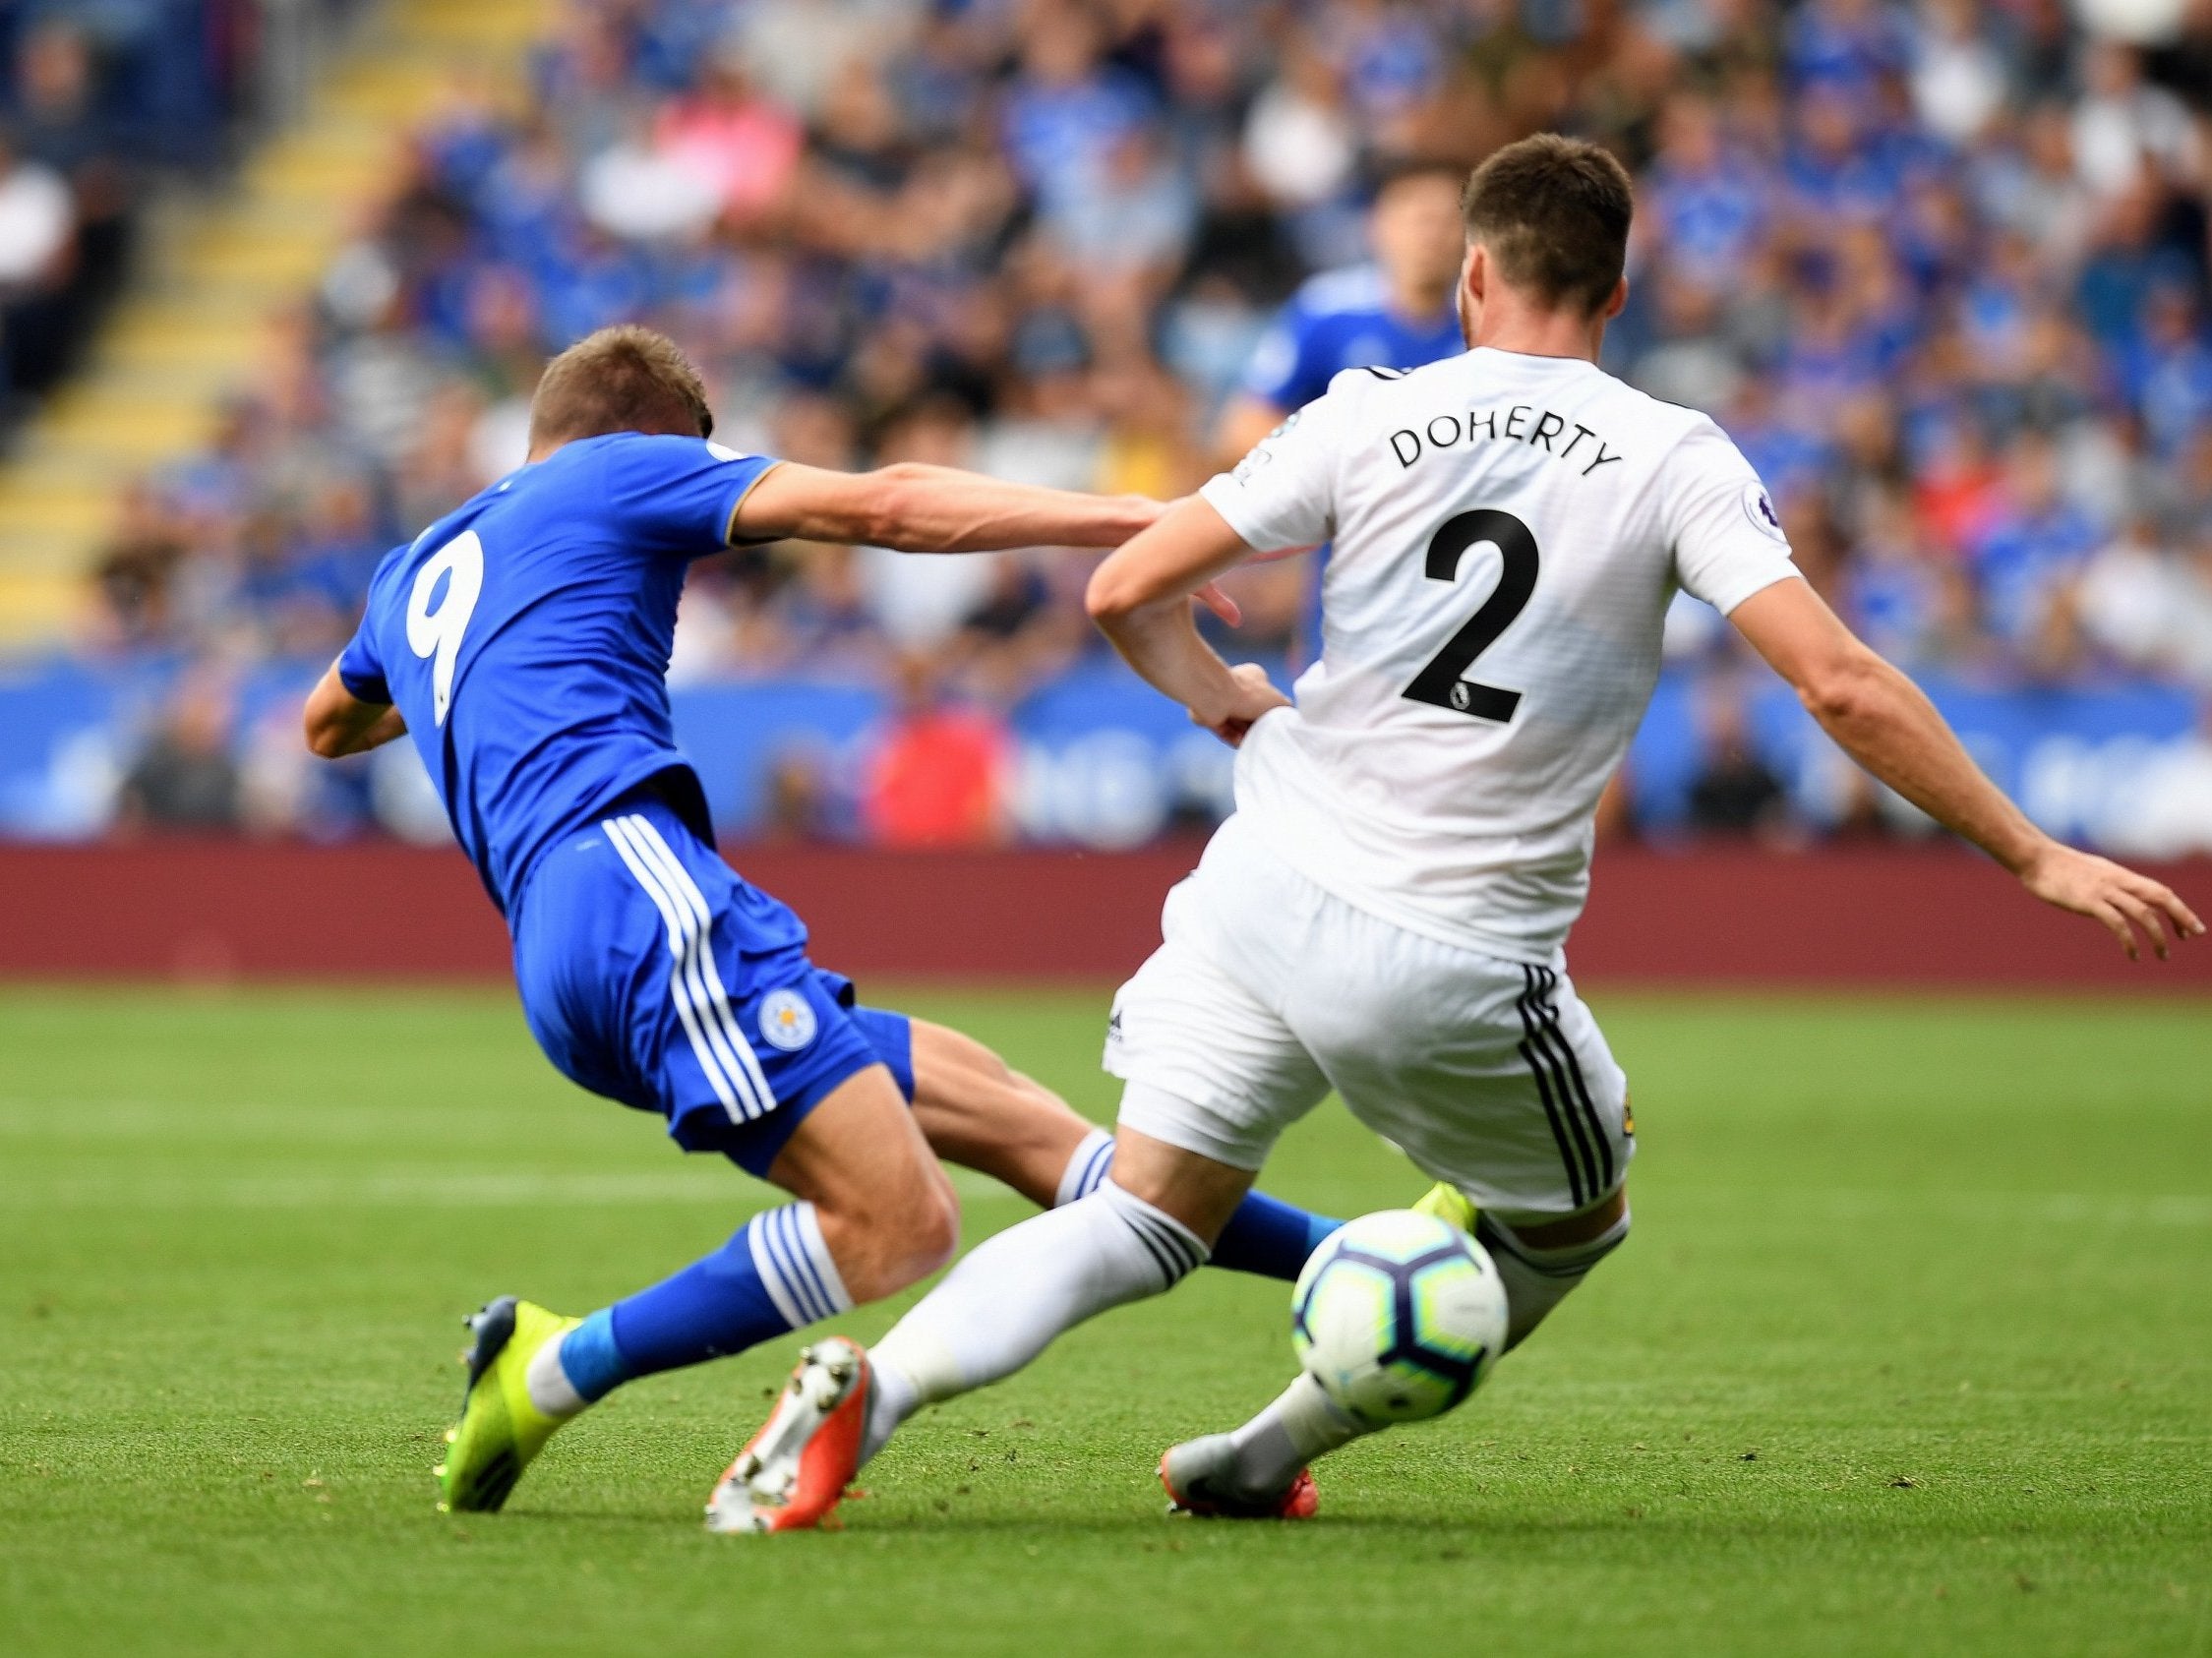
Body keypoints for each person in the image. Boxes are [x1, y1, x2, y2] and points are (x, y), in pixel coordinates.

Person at [716, 136, 2202, 1532]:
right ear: (1617, 293)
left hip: (1261, 881)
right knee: (1575, 1212)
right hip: (1449, 945)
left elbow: (1120, 589)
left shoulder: (1366, 406)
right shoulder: (1673, 452)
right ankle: (1260, 1453)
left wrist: (1223, 704)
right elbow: (1838, 682)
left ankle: (882, 1384)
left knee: (1146, 1213)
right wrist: (2029, 853)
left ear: (1471, 279)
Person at [300, 325, 1342, 1521]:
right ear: (649, 433)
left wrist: (468, 692)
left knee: (1009, 1118)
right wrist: (1120, 516)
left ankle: (1345, 1252)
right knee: (897, 1224)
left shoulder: (414, 569)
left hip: (562, 937)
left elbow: (329, 725)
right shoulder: (620, 469)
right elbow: (890, 504)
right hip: (635, 886)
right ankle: (543, 1371)